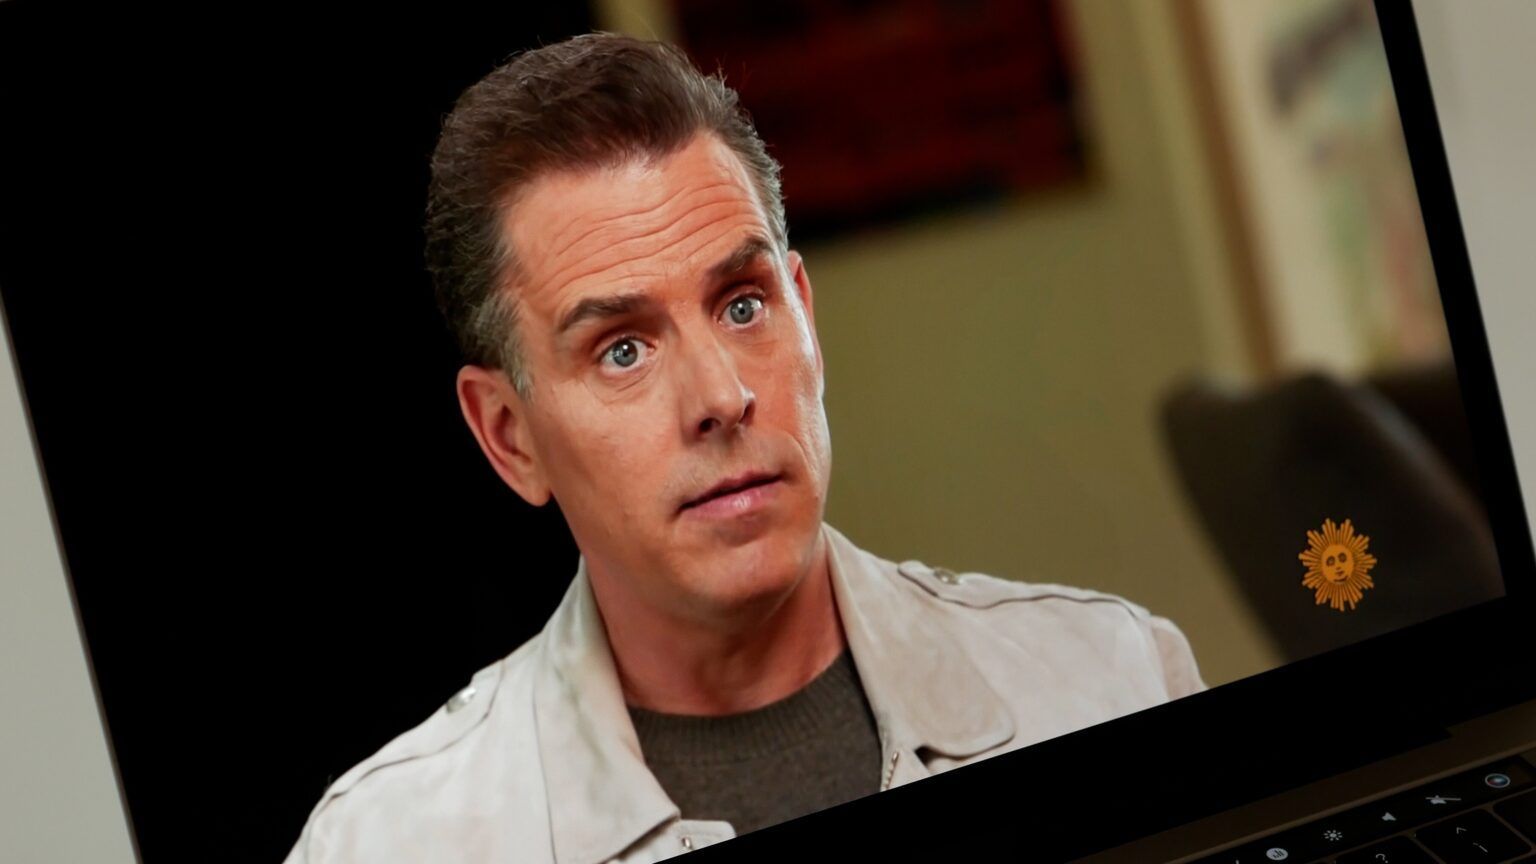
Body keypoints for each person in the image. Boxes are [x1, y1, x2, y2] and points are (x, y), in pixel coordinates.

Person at [283, 32, 1205, 864]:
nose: (723, 397)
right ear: (508, 437)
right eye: (623, 350)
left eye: (743, 305)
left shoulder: (1112, 679)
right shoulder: (388, 844)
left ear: (806, 316)